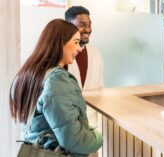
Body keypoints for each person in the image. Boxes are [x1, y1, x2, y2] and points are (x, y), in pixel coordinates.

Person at [9, 19, 103, 157]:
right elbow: (74, 141)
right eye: (76, 42)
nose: (80, 48)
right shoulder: (56, 80)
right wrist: (97, 136)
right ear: (60, 43)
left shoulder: (27, 75)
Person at [65, 6, 104, 129]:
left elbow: (100, 89)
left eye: (89, 24)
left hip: (91, 126)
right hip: (67, 125)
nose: (88, 29)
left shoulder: (95, 54)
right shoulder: (60, 56)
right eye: (82, 24)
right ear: (67, 25)